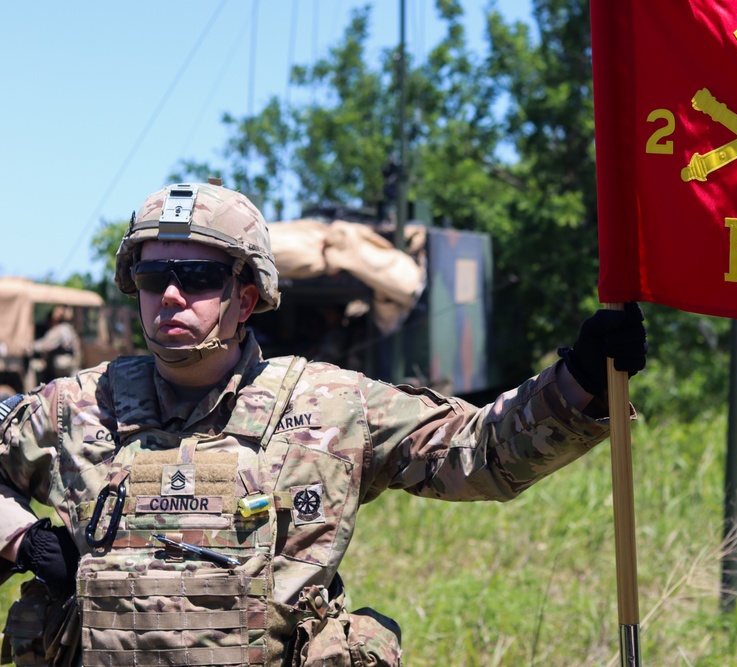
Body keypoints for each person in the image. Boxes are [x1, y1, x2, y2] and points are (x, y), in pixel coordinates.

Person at [0, 182, 647, 667]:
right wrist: (21, 540)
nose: (170, 294)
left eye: (196, 277)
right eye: (152, 275)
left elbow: (481, 451)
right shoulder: (74, 406)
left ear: (245, 296)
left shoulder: (333, 406)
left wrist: (581, 379)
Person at [29, 306, 82, 384]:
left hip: (64, 364)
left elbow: (45, 345)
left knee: (35, 365)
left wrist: (31, 347)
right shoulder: (69, 329)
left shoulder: (59, 330)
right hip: (72, 363)